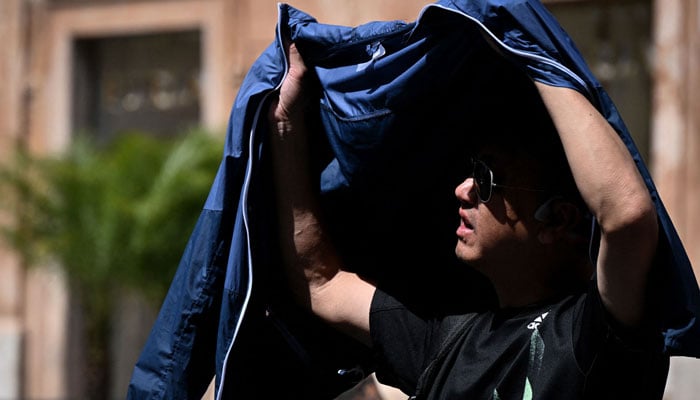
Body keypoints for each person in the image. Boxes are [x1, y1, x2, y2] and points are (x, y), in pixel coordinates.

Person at [267, 40, 669, 399]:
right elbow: (320, 281)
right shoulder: (445, 338)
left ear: (557, 220)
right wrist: (286, 124)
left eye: (487, 179)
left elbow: (627, 217)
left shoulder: (592, 332)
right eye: (470, 171)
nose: (462, 190)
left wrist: (534, 55)